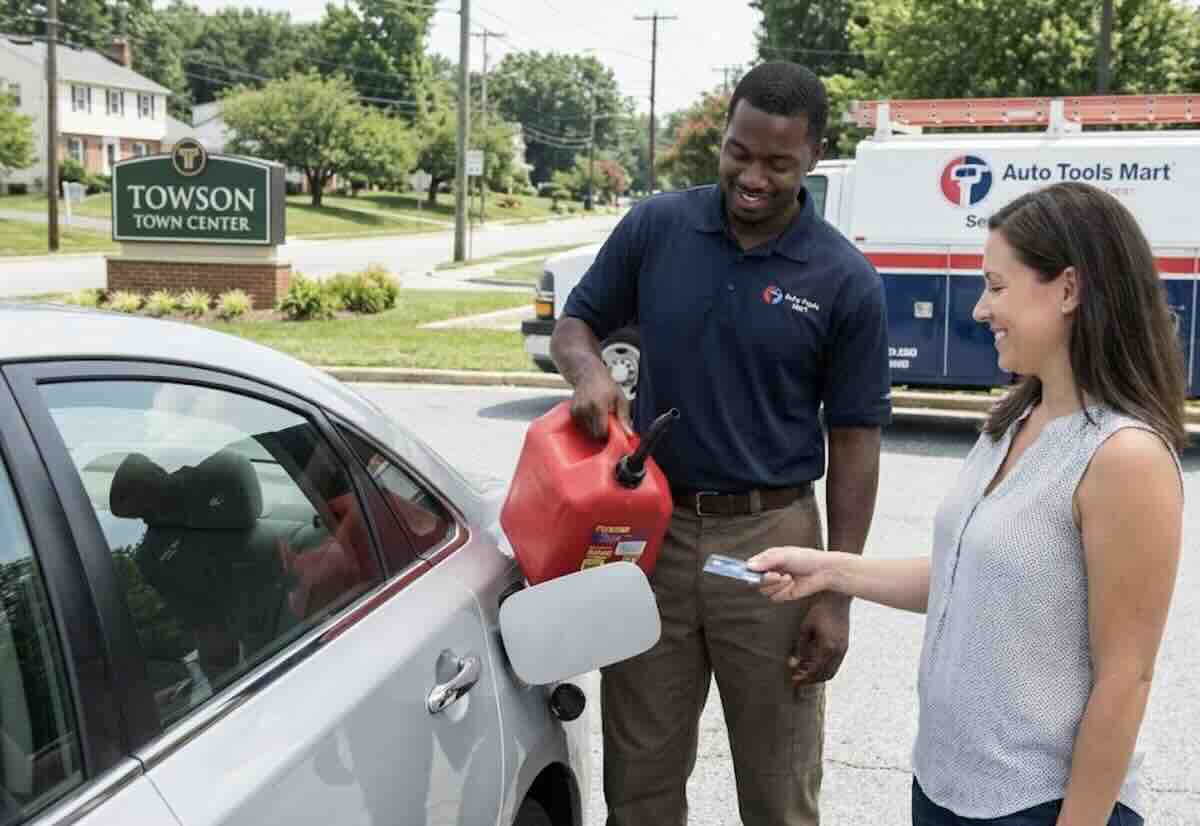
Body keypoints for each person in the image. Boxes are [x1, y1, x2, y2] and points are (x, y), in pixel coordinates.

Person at [749, 181, 1186, 826]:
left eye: (998, 286)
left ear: (1068, 289)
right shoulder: (1015, 420)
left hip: (1039, 807)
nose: (981, 309)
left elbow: (1126, 680)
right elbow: (971, 576)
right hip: (949, 787)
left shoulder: (1125, 457)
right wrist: (830, 568)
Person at [550, 61, 892, 826]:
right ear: (724, 135)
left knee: (777, 789)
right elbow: (577, 322)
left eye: (779, 163)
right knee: (638, 781)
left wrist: (837, 589)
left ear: (814, 157)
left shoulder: (844, 279)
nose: (754, 176)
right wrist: (586, 372)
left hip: (773, 547)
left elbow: (857, 444)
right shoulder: (657, 227)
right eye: (740, 151)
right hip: (653, 534)